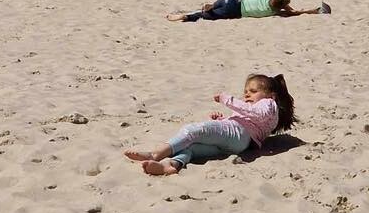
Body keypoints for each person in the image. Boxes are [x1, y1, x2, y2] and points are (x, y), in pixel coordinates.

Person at [125, 73, 294, 177]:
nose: (247, 95)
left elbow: (254, 114)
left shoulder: (268, 103)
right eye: (246, 92)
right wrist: (222, 120)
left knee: (192, 131)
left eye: (253, 91)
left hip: (239, 134)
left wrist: (227, 100)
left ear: (271, 95)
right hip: (238, 143)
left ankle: (155, 154)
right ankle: (171, 165)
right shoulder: (259, 109)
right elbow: (249, 118)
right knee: (191, 148)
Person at [167, 0, 327, 22]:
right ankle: (185, 17)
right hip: (235, 11)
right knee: (204, 16)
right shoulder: (272, 11)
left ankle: (212, 5)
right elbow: (291, 12)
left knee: (213, 7)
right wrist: (309, 11)